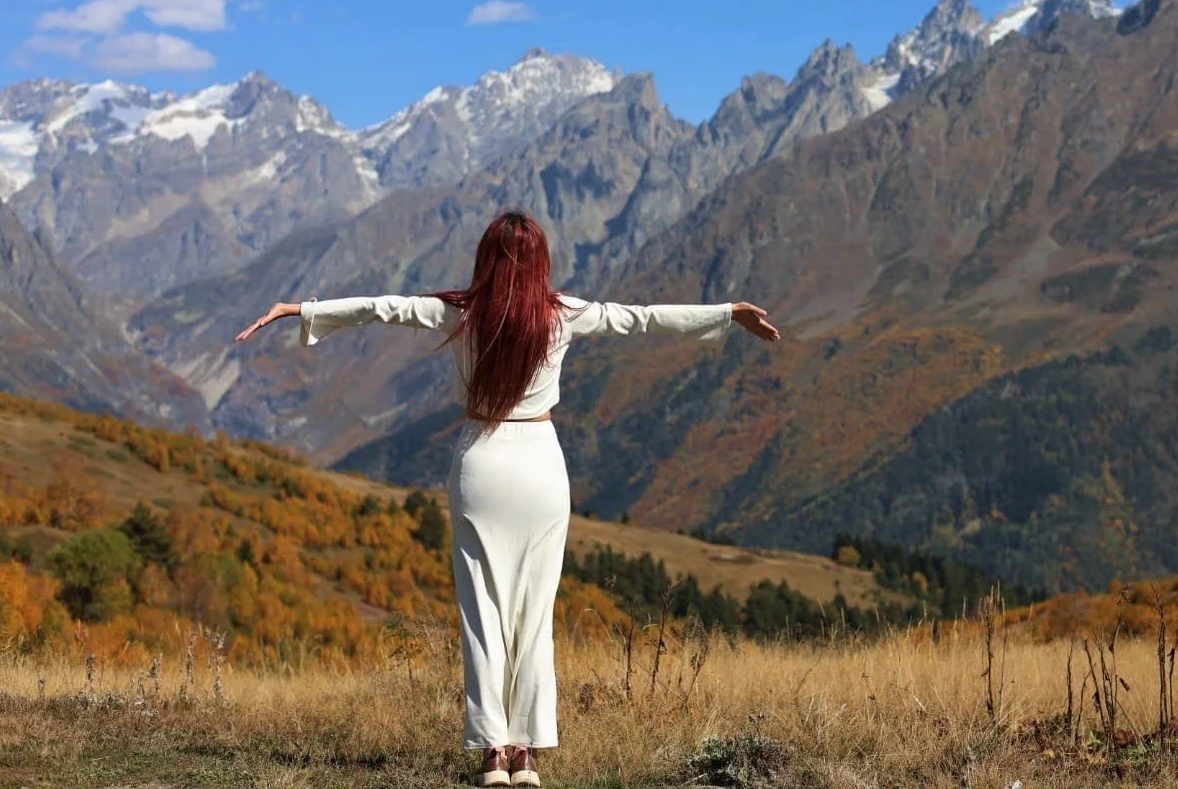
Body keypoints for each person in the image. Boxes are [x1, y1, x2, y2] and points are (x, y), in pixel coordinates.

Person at [234, 210, 781, 787]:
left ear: (486, 259)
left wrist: (300, 310)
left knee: (482, 615)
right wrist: (728, 313)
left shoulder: (460, 313)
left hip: (480, 464)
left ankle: (492, 752)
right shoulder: (562, 314)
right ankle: (527, 754)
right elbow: (642, 320)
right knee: (534, 613)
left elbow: (382, 306)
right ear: (540, 262)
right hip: (541, 465)